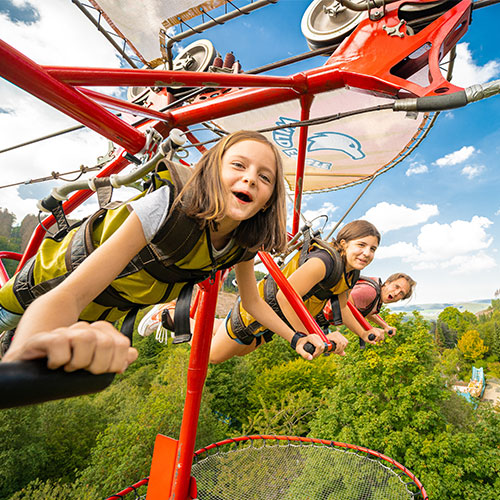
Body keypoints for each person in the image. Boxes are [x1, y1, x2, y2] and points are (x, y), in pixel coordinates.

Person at [0, 130, 327, 374]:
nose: (250, 179)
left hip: (103, 311)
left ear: (269, 200)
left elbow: (252, 303)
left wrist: (295, 337)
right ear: (213, 172)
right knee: (13, 329)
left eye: (264, 177)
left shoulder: (242, 244)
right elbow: (71, 293)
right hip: (46, 287)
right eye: (238, 165)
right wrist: (21, 364)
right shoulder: (168, 209)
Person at [142, 220, 385, 363]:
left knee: (241, 350)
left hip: (278, 322)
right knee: (213, 355)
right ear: (343, 244)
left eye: (372, 249)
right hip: (261, 310)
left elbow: (343, 306)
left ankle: (190, 319)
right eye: (361, 245)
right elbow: (285, 296)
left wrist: (365, 332)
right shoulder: (324, 263)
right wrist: (311, 334)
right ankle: (172, 316)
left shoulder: (350, 272)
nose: (367, 253)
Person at [318, 272, 416, 336]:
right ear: (387, 283)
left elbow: (368, 311)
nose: (396, 293)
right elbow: (342, 305)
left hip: (319, 318)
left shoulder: (376, 297)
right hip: (314, 313)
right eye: (396, 286)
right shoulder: (369, 292)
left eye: (401, 293)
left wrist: (385, 326)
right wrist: (365, 332)